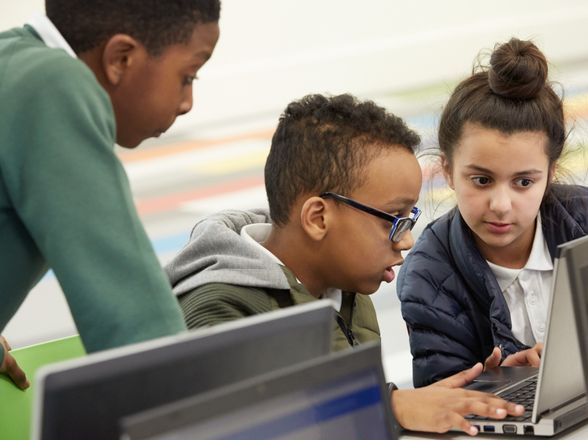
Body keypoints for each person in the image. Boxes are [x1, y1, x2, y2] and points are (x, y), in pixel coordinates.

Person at [166, 94, 525, 435]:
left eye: (409, 218)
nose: (406, 240)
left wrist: (473, 395)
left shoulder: (348, 288)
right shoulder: (219, 311)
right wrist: (389, 407)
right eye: (392, 219)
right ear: (318, 218)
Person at [0, 0, 221, 389]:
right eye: (188, 77)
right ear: (120, 58)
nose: (187, 104)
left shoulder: (12, 59)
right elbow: (139, 330)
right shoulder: (50, 85)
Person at [396, 38, 588, 388]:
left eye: (523, 182)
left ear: (551, 173)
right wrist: (502, 380)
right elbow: (441, 401)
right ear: (447, 170)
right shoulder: (428, 277)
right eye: (481, 180)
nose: (501, 205)